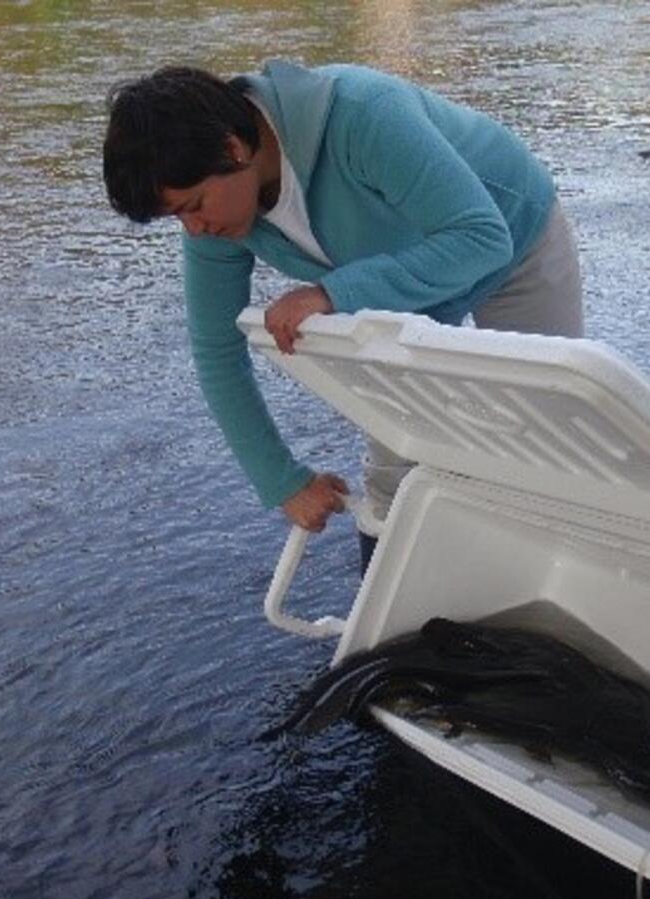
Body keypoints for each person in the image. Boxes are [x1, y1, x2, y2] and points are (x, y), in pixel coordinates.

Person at [103, 60, 583, 563]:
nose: (194, 229)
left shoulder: (361, 114)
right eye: (176, 216)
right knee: (394, 477)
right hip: (404, 284)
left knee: (547, 444)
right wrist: (281, 479)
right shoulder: (217, 221)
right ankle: (401, 627)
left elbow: (482, 239)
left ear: (233, 148)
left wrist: (330, 295)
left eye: (192, 205)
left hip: (511, 241)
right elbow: (216, 348)